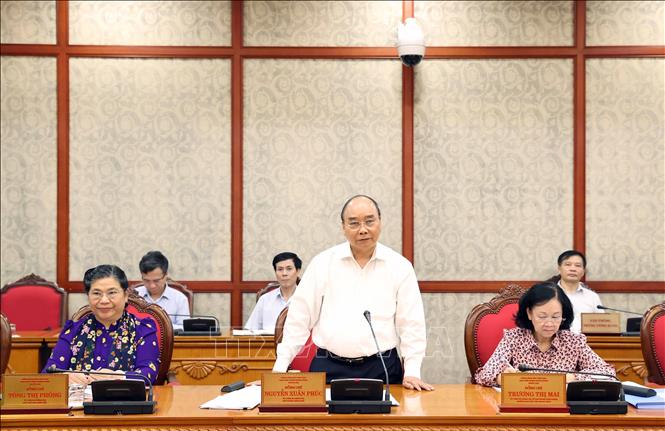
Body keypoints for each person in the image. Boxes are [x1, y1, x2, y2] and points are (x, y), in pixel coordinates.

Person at [273, 195, 432, 391]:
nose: (363, 229)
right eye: (354, 223)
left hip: (382, 367)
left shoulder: (400, 266)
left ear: (380, 222)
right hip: (328, 366)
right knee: (322, 423)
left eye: (369, 221)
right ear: (343, 227)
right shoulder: (323, 263)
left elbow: (411, 324)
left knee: (387, 422)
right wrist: (280, 368)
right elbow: (299, 318)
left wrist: (412, 371)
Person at [474, 282, 615, 387]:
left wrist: (572, 377)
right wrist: (502, 378)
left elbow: (607, 373)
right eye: (542, 316)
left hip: (563, 413)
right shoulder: (514, 338)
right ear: (529, 313)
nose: (549, 324)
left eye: (555, 317)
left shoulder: (573, 342)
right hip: (522, 409)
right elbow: (483, 375)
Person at [43, 264, 160, 384]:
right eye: (96, 293)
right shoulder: (73, 331)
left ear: (125, 296)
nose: (104, 300)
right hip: (79, 401)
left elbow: (149, 373)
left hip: (124, 401)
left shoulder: (143, 330)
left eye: (112, 293)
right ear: (88, 296)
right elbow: (48, 373)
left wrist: (119, 377)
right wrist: (65, 377)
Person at [245, 252, 302, 332]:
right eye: (280, 269)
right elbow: (250, 331)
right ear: (275, 272)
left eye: (289, 269)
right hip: (268, 344)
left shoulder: (307, 299)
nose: (284, 273)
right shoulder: (265, 299)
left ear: (298, 271)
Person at [550, 250, 604, 333]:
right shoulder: (548, 294)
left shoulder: (592, 297)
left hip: (587, 342)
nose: (573, 269)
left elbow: (602, 325)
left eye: (578, 265)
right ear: (559, 269)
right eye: (568, 265)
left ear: (583, 271)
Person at [135, 251, 190, 330]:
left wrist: (160, 325)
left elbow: (184, 328)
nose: (152, 286)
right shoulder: (134, 296)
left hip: (168, 341)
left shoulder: (180, 299)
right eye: (146, 280)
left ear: (166, 275)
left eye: (156, 280)